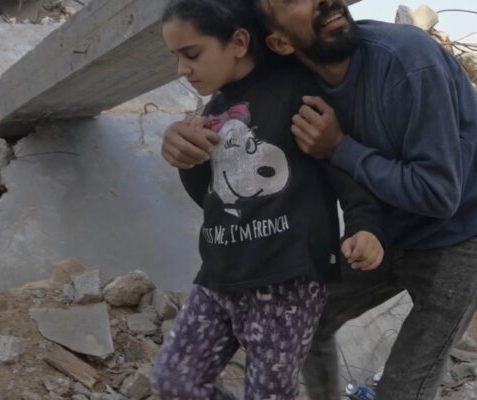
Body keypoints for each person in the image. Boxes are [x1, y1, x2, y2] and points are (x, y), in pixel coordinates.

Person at [163, 0, 477, 398]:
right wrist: (186, 146)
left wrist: (338, 148)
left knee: (405, 386)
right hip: (384, 222)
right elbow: (235, 103)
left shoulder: (408, 60)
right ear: (279, 43)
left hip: (466, 228)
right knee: (309, 325)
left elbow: (439, 194)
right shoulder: (290, 82)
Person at [151, 0, 385, 398]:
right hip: (220, 277)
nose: (182, 69)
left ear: (239, 42)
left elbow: (338, 163)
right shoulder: (214, 111)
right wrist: (190, 161)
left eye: (191, 54)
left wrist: (365, 226)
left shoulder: (295, 89)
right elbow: (213, 199)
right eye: (175, 57)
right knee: (175, 380)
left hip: (287, 283)